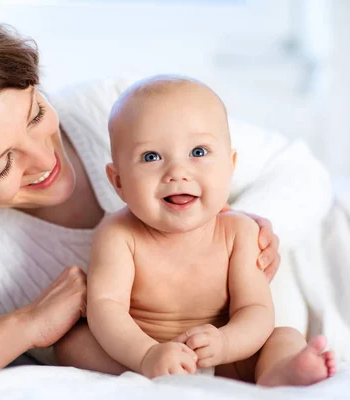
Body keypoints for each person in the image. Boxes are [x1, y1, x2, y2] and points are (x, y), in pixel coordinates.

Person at [0, 4, 331, 377]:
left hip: (273, 319)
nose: (44, 159)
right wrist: (24, 328)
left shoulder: (115, 110)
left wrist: (245, 235)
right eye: (3, 163)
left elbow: (300, 169)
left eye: (35, 113)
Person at [79, 76, 335, 385]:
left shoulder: (238, 232)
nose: (177, 172)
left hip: (227, 357)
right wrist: (147, 354)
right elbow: (107, 309)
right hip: (143, 354)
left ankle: (277, 375)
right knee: (75, 342)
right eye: (151, 157)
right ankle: (153, 374)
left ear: (231, 166)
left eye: (198, 152)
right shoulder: (118, 234)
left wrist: (226, 343)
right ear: (118, 181)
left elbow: (255, 310)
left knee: (285, 336)